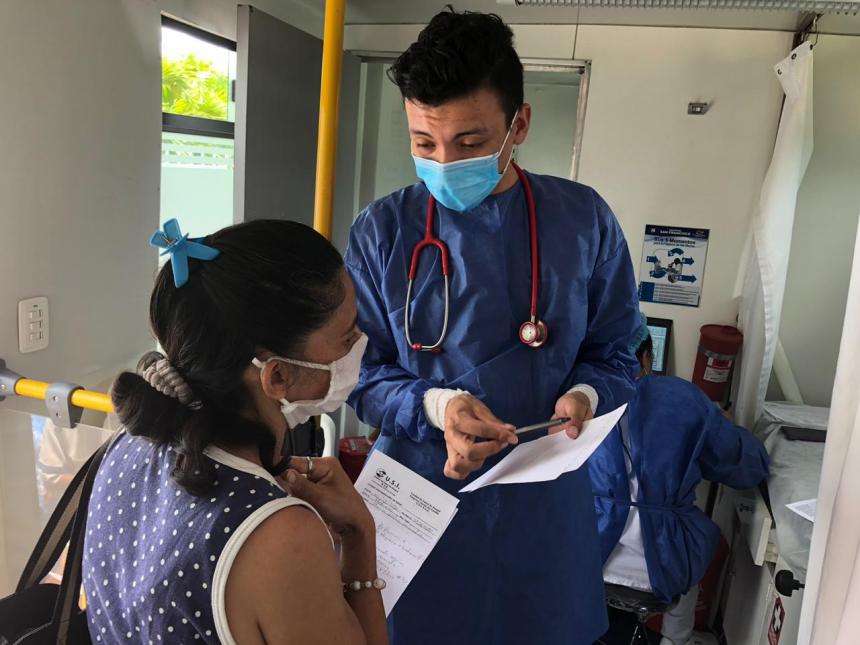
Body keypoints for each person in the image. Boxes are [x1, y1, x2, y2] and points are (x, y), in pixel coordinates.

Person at [345, 9, 641, 644]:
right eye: (424, 144)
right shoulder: (382, 231)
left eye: (471, 143)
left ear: (520, 124)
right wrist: (436, 404)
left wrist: (586, 395)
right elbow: (360, 377)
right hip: (419, 494)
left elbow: (619, 351)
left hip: (544, 503)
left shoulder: (582, 220)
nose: (445, 163)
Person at [83, 220, 388, 645]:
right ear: (277, 377)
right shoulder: (283, 537)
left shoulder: (126, 446)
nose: (361, 344)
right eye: (347, 336)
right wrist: (359, 536)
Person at [588, 314, 769, 645]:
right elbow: (746, 467)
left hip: (589, 559)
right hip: (662, 567)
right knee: (686, 557)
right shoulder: (683, 398)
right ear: (647, 356)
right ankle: (676, 639)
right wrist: (725, 426)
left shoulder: (578, 403)